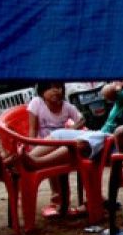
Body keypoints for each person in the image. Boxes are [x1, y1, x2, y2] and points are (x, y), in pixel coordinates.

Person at [26, 81, 86, 214]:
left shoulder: (67, 107)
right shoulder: (37, 103)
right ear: (42, 92)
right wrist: (32, 148)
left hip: (61, 145)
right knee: (49, 164)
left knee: (62, 163)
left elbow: (82, 119)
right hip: (43, 145)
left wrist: (71, 130)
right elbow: (32, 130)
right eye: (51, 88)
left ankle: (63, 202)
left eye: (59, 87)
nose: (56, 91)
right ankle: (57, 198)